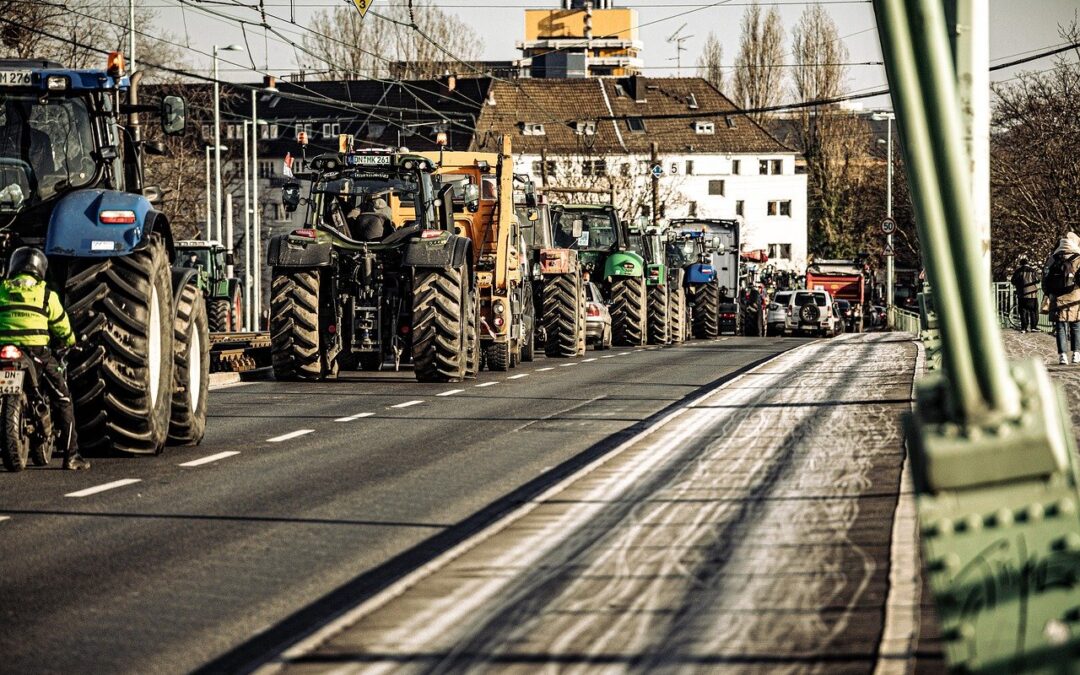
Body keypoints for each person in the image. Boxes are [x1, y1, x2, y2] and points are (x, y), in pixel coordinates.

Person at [0, 247, 89, 469]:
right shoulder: (46, 294)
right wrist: (70, 341)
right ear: (40, 269)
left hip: (4, 349)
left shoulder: (1, 289)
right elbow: (62, 325)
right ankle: (71, 456)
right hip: (36, 353)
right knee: (63, 398)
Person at [1042, 232, 1080, 365]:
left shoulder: (1052, 259)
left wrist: (1048, 293)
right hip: (1075, 296)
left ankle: (1062, 355)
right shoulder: (1078, 258)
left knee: (1060, 328)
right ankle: (1076, 354)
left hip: (1057, 297)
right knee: (1075, 326)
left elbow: (1045, 278)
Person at [1010, 255, 1040, 332]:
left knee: (1023, 311)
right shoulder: (1033, 271)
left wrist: (1020, 285)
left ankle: (1024, 328)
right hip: (1032, 294)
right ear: (1028, 263)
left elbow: (1013, 281)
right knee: (1033, 311)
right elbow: (1038, 280)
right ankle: (1033, 327)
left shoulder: (1018, 271)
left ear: (1021, 264)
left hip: (1021, 294)